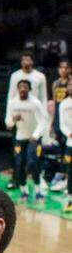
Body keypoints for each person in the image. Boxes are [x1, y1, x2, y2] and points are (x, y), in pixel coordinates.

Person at [5, 79, 48, 203]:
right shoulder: (13, 102)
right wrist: (13, 120)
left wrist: (36, 135)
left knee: (32, 163)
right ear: (18, 89)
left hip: (33, 138)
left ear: (30, 89)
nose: (23, 89)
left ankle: (39, 191)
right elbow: (8, 123)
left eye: (25, 87)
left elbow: (43, 120)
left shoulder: (35, 103)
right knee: (19, 165)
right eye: (20, 87)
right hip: (20, 137)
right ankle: (24, 192)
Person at [6, 52, 46, 117]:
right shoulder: (15, 76)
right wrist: (8, 116)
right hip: (19, 109)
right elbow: (11, 95)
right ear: (21, 62)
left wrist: (44, 114)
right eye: (23, 60)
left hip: (34, 109)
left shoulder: (40, 76)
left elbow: (43, 97)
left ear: (32, 62)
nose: (25, 62)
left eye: (28, 60)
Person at [51, 59, 70, 192]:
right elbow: (54, 102)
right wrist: (52, 122)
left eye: (66, 68)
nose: (63, 70)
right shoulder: (56, 83)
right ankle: (63, 176)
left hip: (69, 121)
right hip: (59, 120)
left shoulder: (71, 83)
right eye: (61, 67)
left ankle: (68, 178)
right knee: (62, 151)